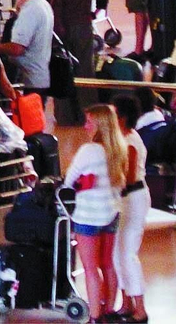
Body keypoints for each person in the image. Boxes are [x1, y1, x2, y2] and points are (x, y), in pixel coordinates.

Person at [64, 104, 125, 321]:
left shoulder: (88, 150)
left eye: (89, 121)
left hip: (88, 216)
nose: (85, 125)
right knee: (107, 264)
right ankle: (109, 309)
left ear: (99, 125)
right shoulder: (119, 148)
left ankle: (95, 316)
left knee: (90, 269)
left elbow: (69, 181)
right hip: (111, 212)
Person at [0, 0, 53, 127]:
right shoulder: (42, 5)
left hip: (31, 80)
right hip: (40, 76)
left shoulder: (31, 10)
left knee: (28, 128)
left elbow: (17, 48)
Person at [110, 96, 151, 324]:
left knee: (128, 254)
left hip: (133, 198)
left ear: (123, 117)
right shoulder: (120, 138)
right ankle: (126, 303)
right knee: (118, 253)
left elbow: (130, 177)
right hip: (124, 198)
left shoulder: (131, 141)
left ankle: (140, 308)